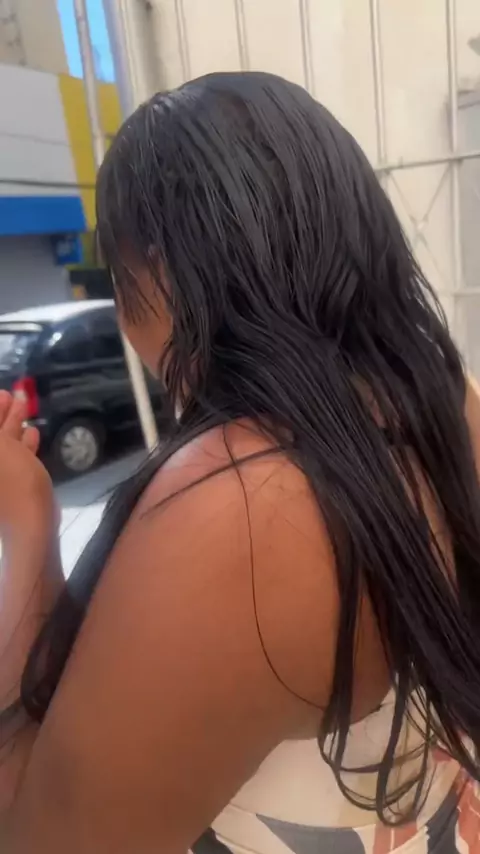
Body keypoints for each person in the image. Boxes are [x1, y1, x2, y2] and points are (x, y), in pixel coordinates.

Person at [1, 70, 480, 854]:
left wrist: (26, 522)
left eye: (120, 277)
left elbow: (42, 835)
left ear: (163, 273)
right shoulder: (445, 403)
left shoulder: (242, 511)